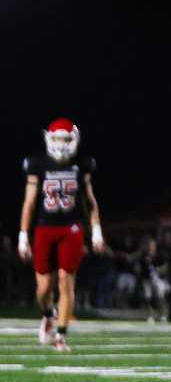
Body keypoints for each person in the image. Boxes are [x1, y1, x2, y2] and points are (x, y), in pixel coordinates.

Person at [17, 118, 105, 351]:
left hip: (71, 228)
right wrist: (23, 235)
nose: (61, 143)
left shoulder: (82, 163)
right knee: (43, 288)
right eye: (57, 138)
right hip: (45, 227)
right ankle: (48, 315)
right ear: (48, 138)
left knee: (66, 281)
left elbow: (89, 201)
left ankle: (61, 335)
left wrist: (96, 230)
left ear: (74, 139)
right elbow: (30, 202)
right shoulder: (37, 163)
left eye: (66, 139)